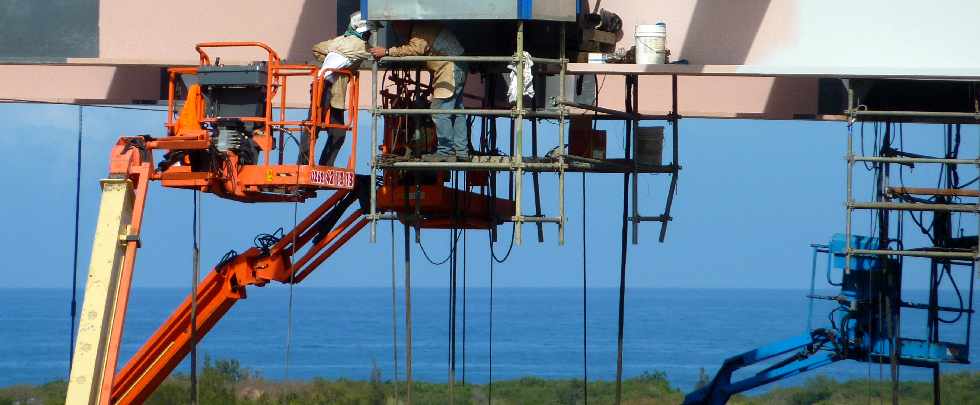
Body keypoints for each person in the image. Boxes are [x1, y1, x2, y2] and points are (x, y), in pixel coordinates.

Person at [370, 22, 468, 162]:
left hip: (450, 68)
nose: (395, 29)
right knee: (457, 110)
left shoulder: (419, 31)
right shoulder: (423, 28)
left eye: (396, 24)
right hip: (457, 65)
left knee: (439, 110)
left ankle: (445, 152)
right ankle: (461, 151)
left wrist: (386, 52)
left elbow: (415, 50)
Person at [298, 11, 373, 166]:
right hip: (323, 87)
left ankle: (324, 168)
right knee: (313, 127)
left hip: (330, 90)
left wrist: (332, 61)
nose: (370, 35)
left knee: (337, 132)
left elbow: (318, 48)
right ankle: (303, 165)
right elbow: (377, 56)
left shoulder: (340, 40)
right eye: (369, 32)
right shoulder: (359, 45)